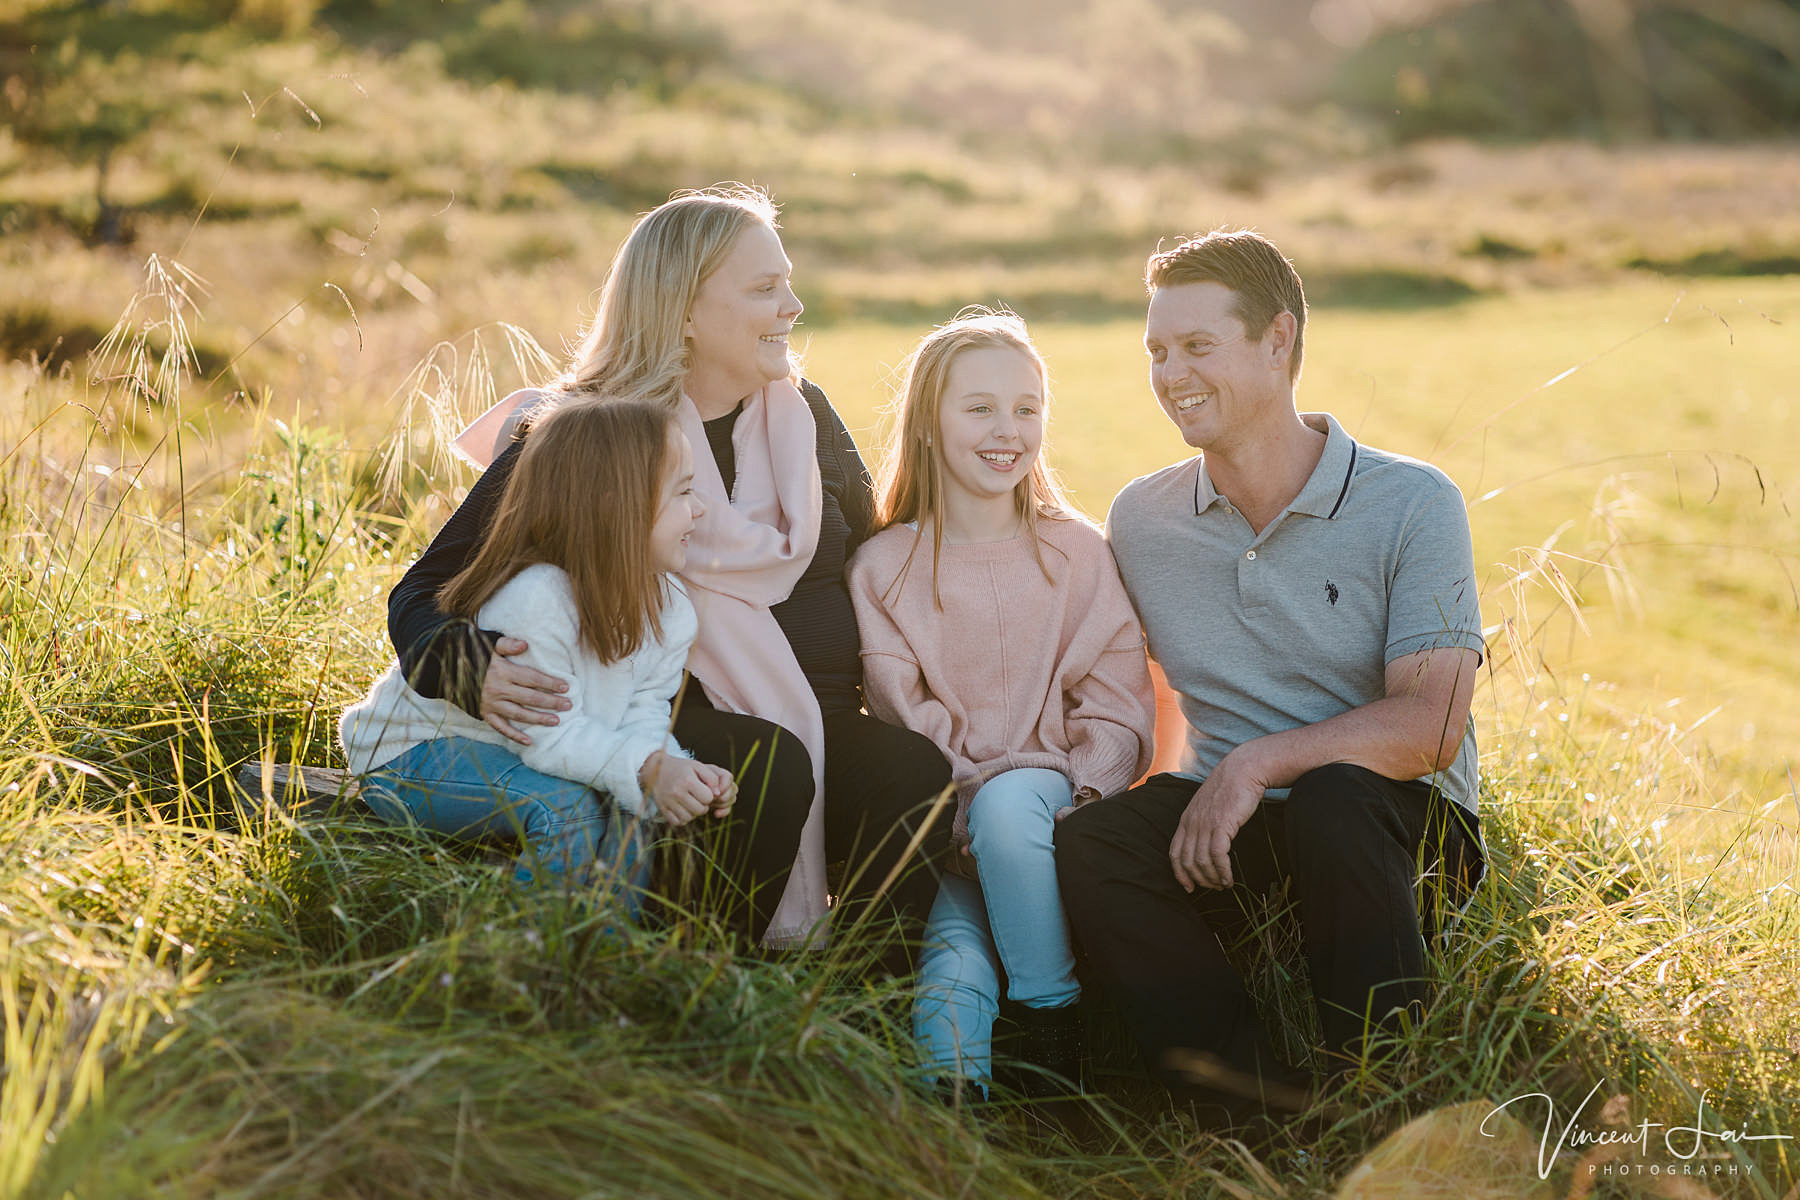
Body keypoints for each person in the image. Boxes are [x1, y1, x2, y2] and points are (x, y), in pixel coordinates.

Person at [387, 186, 950, 948]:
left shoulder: (802, 414)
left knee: (911, 773)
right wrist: (471, 670)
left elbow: (881, 556)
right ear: (683, 311)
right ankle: (706, 989)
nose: (793, 305)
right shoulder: (587, 433)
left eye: (787, 282)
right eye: (764, 288)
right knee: (766, 765)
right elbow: (424, 591)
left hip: (816, 710)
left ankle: (861, 1011)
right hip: (649, 712)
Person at [1055, 230, 1485, 1117]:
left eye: (1197, 347)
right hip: (1240, 828)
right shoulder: (1143, 517)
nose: (1171, 374)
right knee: (1091, 843)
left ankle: (1386, 1103)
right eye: (1158, 352)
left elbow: (1430, 726)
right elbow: (1101, 666)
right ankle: (1250, 1105)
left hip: (1396, 825)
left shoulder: (1413, 502)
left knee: (1333, 795)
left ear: (1278, 340)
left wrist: (1253, 762)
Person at [848, 312, 1154, 1098]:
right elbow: (901, 719)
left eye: (1026, 407)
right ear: (927, 422)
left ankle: (1056, 1040)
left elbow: (1118, 706)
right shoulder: (884, 566)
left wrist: (1084, 798)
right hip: (947, 817)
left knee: (1014, 803)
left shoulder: (1077, 553)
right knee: (953, 962)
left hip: (1051, 804)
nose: (1006, 429)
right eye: (978, 407)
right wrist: (961, 821)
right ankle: (956, 1129)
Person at [340, 400, 734, 904]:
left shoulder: (671, 608)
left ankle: (606, 959)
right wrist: (648, 768)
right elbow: (546, 737)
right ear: (617, 506)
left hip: (517, 750)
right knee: (571, 810)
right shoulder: (538, 599)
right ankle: (517, 954)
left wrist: (667, 766)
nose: (699, 508)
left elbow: (644, 709)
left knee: (634, 814)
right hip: (410, 754)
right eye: (682, 492)